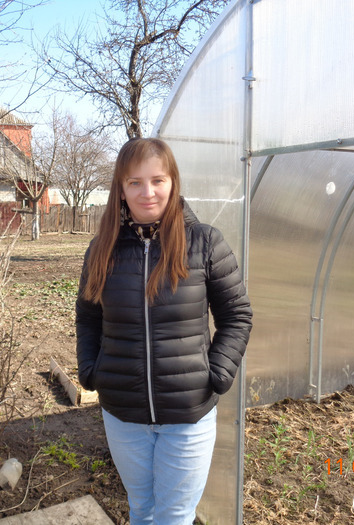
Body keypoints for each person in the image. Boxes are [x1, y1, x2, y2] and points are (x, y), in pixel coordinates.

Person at [75, 137, 253, 525]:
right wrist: (90, 369)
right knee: (141, 509)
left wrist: (217, 373)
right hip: (123, 414)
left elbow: (237, 315)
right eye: (135, 182)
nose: (148, 192)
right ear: (121, 189)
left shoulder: (204, 243)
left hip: (188, 415)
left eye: (158, 180)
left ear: (173, 182)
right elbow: (88, 316)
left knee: (174, 516)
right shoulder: (102, 249)